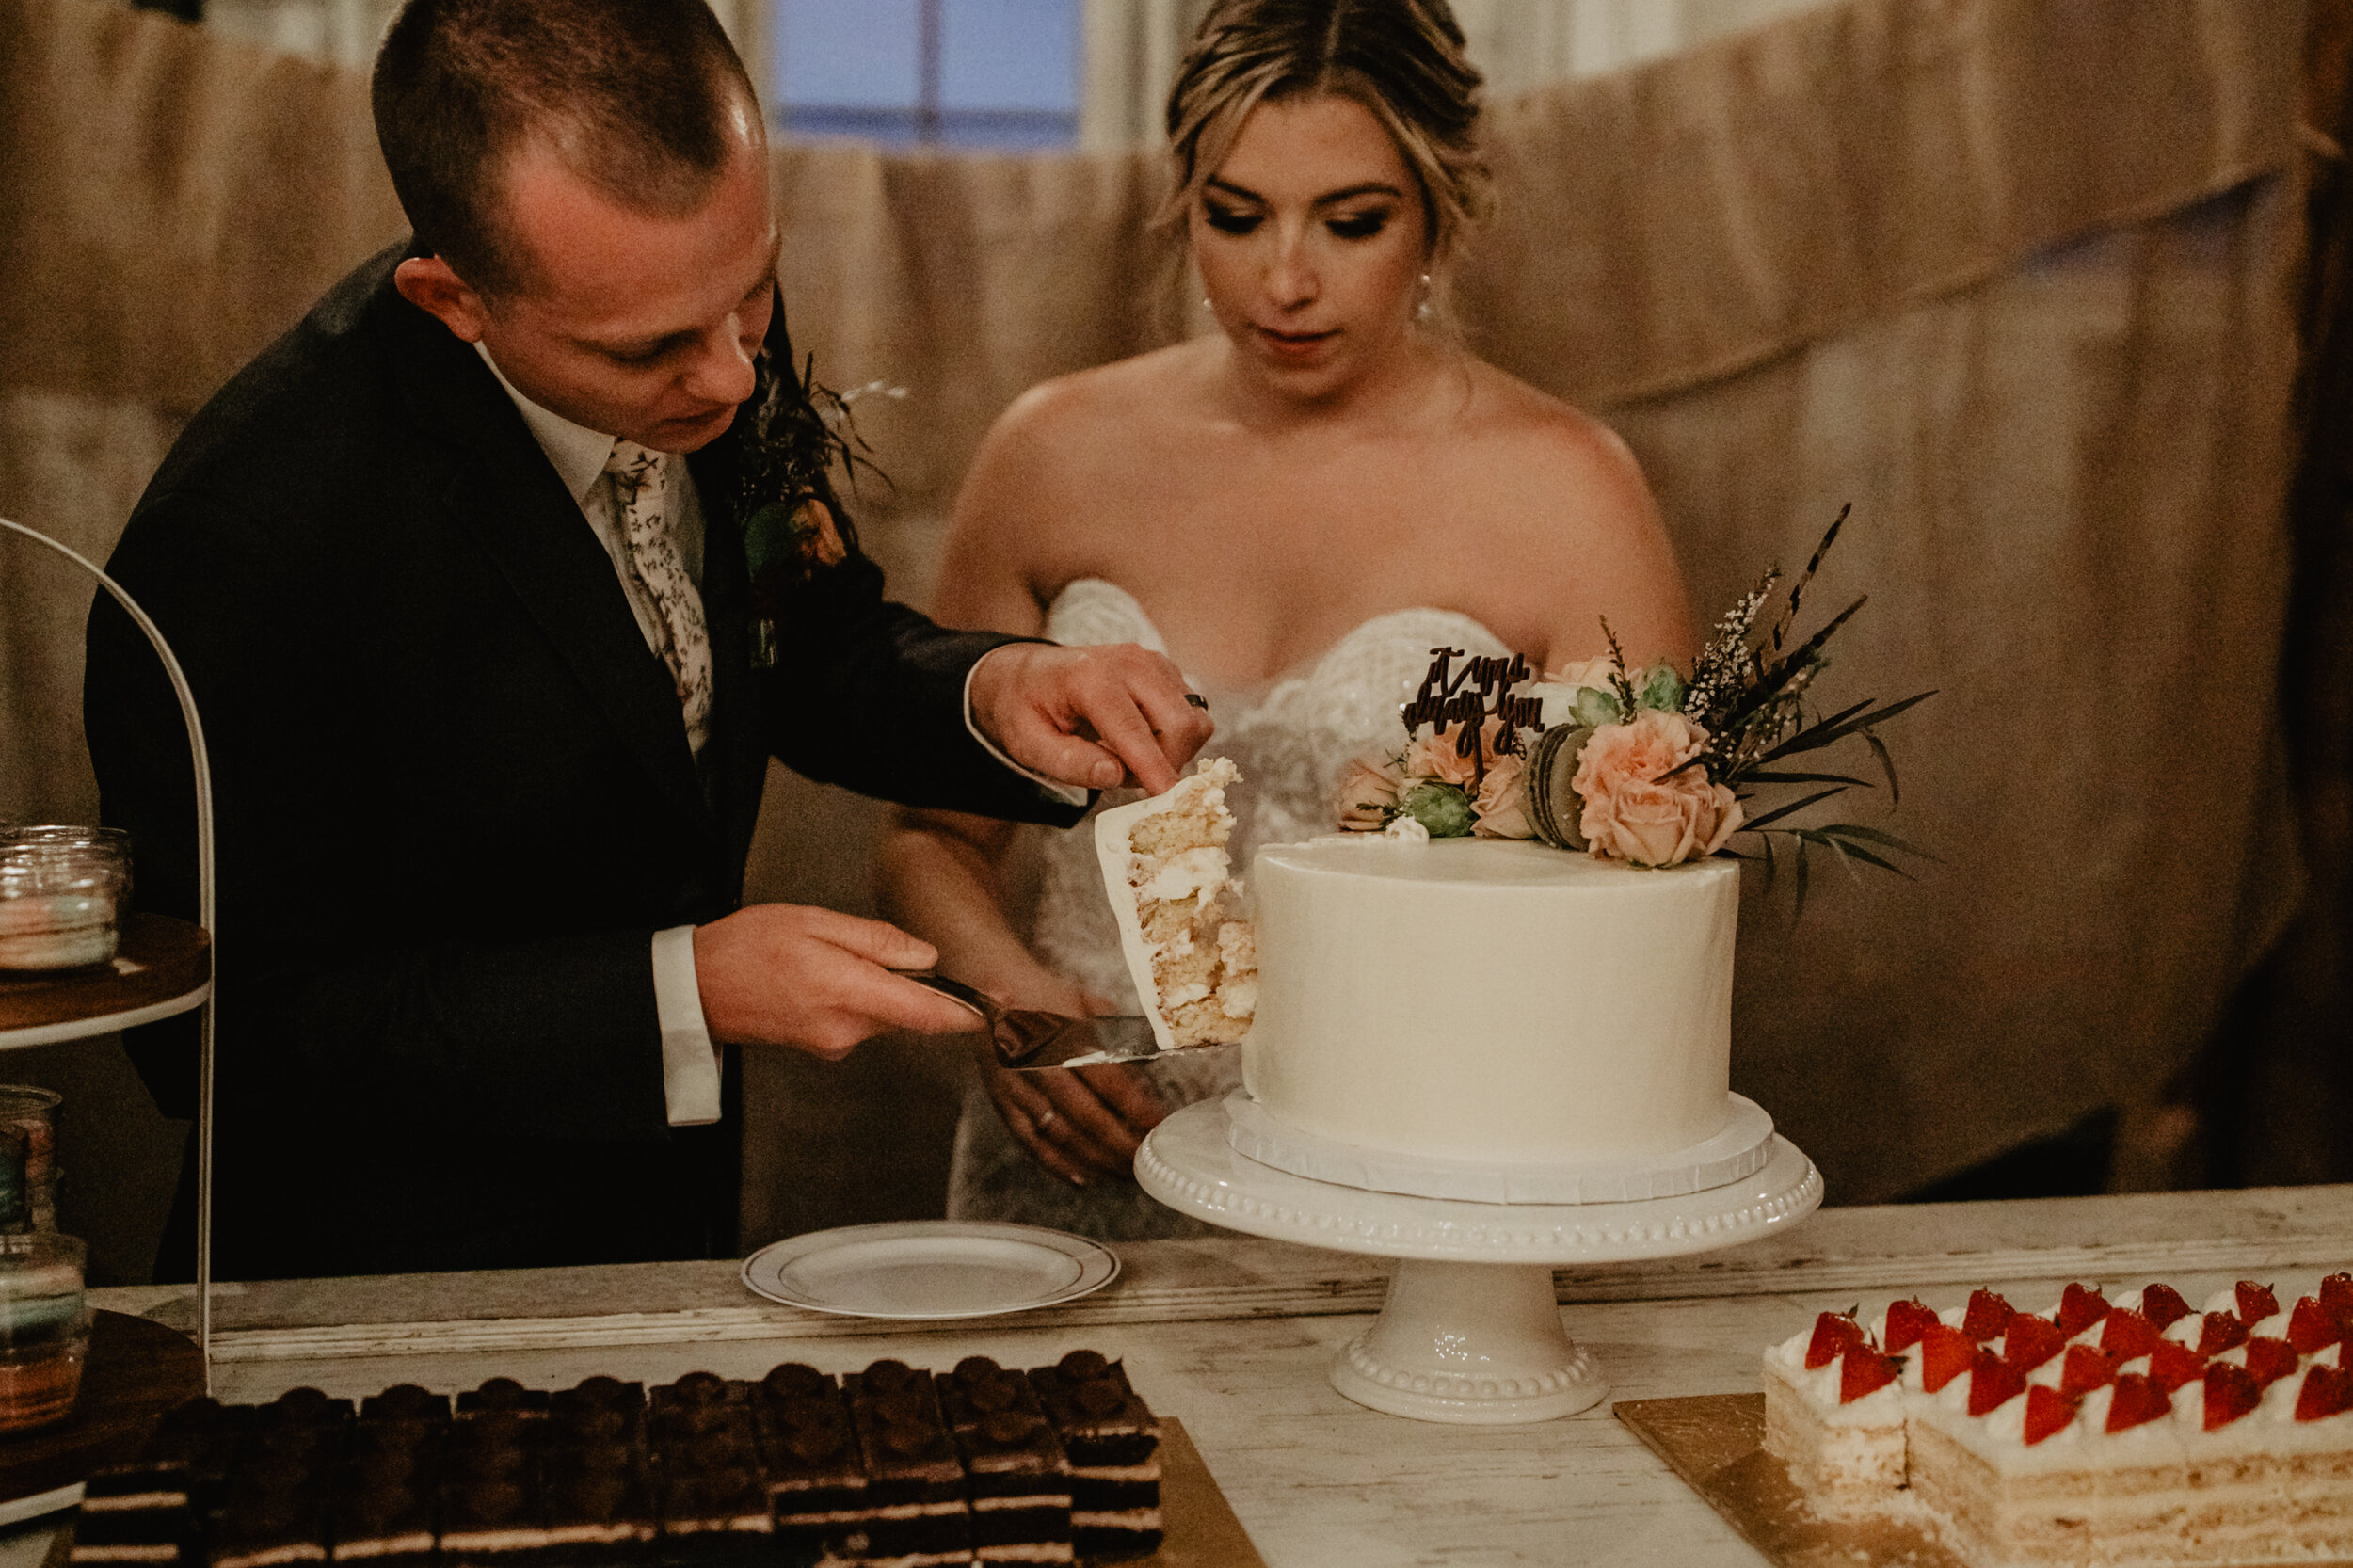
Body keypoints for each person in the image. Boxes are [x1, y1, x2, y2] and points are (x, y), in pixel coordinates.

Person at [82, 0, 1209, 1281]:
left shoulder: (694, 314)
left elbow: (815, 646)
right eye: (653, 348)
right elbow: (225, 1035)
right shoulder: (253, 536)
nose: (732, 378)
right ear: (453, 297)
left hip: (664, 1242)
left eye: (756, 294)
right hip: (369, 1295)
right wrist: (684, 992)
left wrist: (996, 686)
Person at [877, 0, 1696, 1239]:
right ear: (1182, 198)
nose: (1284, 281)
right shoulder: (1050, 452)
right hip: (1084, 1150)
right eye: (1235, 214)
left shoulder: (1571, 490)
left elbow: (1645, 918)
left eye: (1352, 222)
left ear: (1439, 210)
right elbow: (932, 839)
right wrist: (1014, 999)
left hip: (1407, 1184)